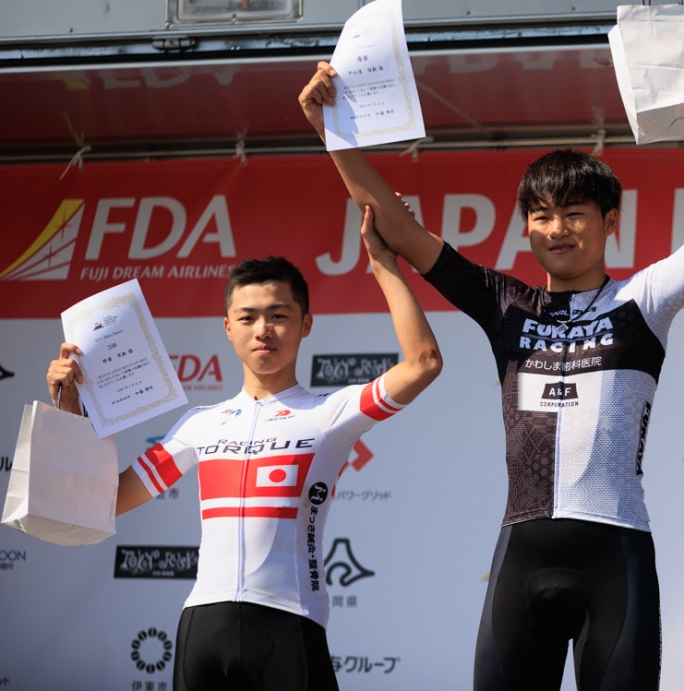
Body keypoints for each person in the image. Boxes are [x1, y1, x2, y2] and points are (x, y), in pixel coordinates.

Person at [297, 29, 684, 690]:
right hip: (522, 554)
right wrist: (331, 130)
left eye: (574, 214)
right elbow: (397, 228)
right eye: (541, 215)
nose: (556, 229)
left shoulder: (643, 299)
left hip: (615, 554)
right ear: (526, 227)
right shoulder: (504, 303)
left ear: (610, 221)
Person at [46, 207, 442, 691]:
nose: (263, 329)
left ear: (306, 324)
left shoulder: (330, 413)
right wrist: (72, 408)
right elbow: (104, 500)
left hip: (288, 624)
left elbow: (423, 363)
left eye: (279, 315)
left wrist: (382, 260)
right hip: (202, 629)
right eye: (248, 317)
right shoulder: (199, 424)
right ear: (227, 327)